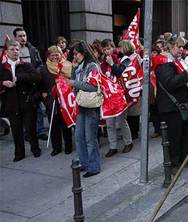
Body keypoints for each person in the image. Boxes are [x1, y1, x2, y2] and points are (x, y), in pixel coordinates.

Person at [155, 37, 188, 168]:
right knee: (174, 136)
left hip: (182, 105)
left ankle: (184, 159)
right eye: (178, 47)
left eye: (182, 47)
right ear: (170, 47)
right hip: (172, 108)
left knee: (187, 133)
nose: (181, 50)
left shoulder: (177, 61)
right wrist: (187, 72)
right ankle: (174, 163)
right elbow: (170, 83)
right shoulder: (163, 62)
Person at [0, 40, 41, 161]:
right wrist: (3, 83)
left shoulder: (26, 65)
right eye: (12, 49)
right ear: (7, 52)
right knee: (16, 131)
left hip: (27, 102)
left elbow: (37, 77)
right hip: (12, 104)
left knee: (31, 129)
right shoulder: (2, 67)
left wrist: (19, 77)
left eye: (17, 49)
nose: (15, 52)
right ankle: (19, 153)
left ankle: (35, 149)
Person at [66, 41, 101, 178]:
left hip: (91, 106)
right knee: (79, 136)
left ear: (84, 52)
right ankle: (85, 163)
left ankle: (94, 167)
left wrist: (74, 82)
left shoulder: (93, 66)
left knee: (90, 138)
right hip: (81, 105)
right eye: (73, 54)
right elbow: (75, 85)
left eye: (76, 53)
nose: (74, 56)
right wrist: (74, 70)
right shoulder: (79, 66)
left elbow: (92, 86)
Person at [100, 39, 133, 157]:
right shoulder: (102, 63)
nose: (106, 51)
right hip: (108, 97)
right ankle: (112, 146)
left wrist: (112, 64)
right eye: (104, 49)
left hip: (119, 95)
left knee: (121, 120)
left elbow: (120, 73)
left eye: (108, 48)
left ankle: (128, 142)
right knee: (109, 123)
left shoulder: (121, 59)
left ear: (113, 48)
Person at [13, 27, 47, 141]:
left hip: (34, 83)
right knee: (24, 111)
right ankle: (28, 133)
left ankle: (40, 130)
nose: (23, 38)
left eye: (24, 35)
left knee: (38, 109)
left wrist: (35, 74)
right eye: (20, 36)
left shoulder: (32, 49)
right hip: (21, 85)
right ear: (15, 38)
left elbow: (40, 64)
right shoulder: (13, 51)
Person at [40, 45, 73, 156]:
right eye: (52, 55)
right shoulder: (44, 68)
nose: (55, 57)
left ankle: (68, 146)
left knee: (66, 124)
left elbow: (72, 80)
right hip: (51, 100)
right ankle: (57, 148)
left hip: (65, 99)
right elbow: (41, 83)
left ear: (61, 54)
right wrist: (44, 93)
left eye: (57, 54)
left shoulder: (67, 65)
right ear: (48, 56)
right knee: (54, 125)